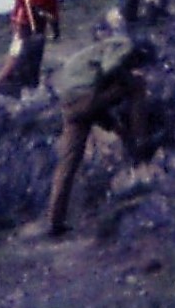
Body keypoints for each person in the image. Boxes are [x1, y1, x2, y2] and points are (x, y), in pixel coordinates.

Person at [44, 34, 162, 237]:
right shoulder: (125, 45)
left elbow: (94, 110)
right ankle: (141, 141)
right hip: (87, 96)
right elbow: (111, 68)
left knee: (68, 164)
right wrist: (127, 79)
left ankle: (55, 221)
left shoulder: (92, 55)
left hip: (70, 103)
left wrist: (114, 126)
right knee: (137, 85)